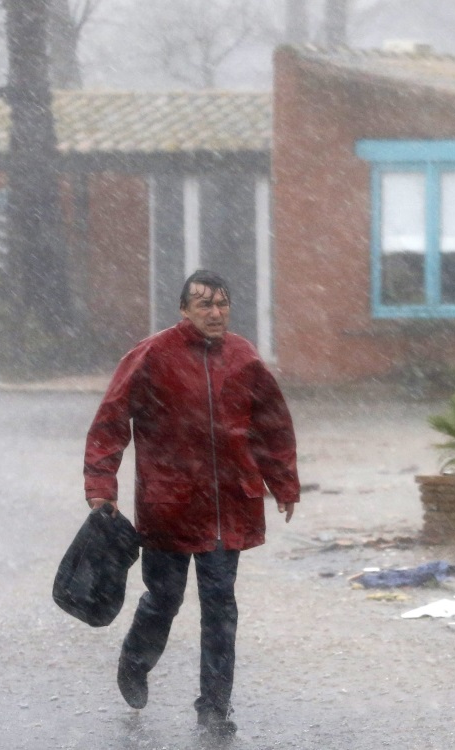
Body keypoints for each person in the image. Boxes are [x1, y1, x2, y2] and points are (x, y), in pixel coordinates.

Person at [83, 269, 299, 736]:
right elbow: (111, 419)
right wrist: (101, 483)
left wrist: (283, 482)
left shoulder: (244, 358)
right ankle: (135, 661)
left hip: (228, 508)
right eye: (205, 305)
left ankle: (214, 705)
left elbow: (272, 425)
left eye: (222, 305)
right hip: (169, 504)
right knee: (164, 598)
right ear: (184, 310)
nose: (216, 313)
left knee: (221, 606)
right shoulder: (152, 356)